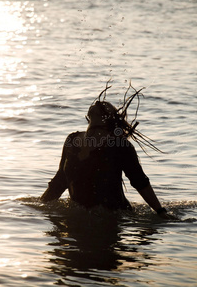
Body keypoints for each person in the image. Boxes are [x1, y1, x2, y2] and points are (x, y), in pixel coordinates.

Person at [41, 84, 169, 219]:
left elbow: (140, 182)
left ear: (109, 119)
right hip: (78, 220)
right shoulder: (72, 139)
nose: (98, 102)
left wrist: (160, 211)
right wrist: (40, 208)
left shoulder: (121, 147)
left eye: (106, 106)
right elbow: (60, 180)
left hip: (114, 216)